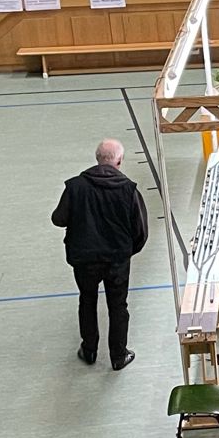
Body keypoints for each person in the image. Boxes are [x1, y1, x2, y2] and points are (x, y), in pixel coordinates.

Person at [51, 138, 148, 371]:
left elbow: (58, 218)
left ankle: (89, 349)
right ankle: (118, 355)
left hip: (84, 259)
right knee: (118, 305)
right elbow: (140, 230)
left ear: (97, 159)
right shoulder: (128, 189)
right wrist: (126, 252)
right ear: (120, 161)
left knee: (87, 300)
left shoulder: (75, 187)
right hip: (117, 259)